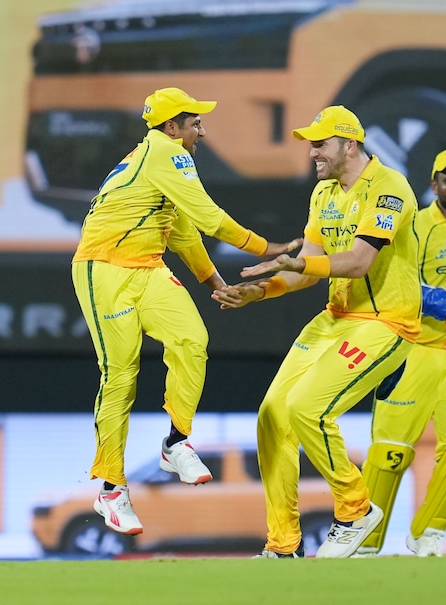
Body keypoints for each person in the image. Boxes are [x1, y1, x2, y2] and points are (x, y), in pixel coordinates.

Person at [71, 87, 302, 537]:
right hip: (103, 269)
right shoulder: (167, 153)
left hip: (148, 267)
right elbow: (209, 218)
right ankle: (111, 490)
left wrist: (216, 284)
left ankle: (175, 443)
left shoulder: (158, 160)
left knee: (192, 340)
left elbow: (180, 232)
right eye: (195, 123)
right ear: (172, 127)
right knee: (120, 375)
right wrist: (266, 247)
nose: (203, 131)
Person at [212, 105, 421, 559]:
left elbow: (358, 262)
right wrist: (259, 291)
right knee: (273, 414)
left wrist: (302, 262)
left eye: (321, 144)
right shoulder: (324, 192)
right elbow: (303, 270)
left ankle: (356, 510)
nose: (312, 153)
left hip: (385, 322)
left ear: (350, 144)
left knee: (307, 408)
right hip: (336, 317)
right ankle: (284, 545)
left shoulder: (389, 188)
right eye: (311, 144)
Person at [354, 147, 446, 558]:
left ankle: (429, 533)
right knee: (389, 454)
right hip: (411, 350)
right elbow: (383, 280)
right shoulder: (415, 226)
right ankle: (365, 544)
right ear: (434, 185)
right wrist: (428, 298)